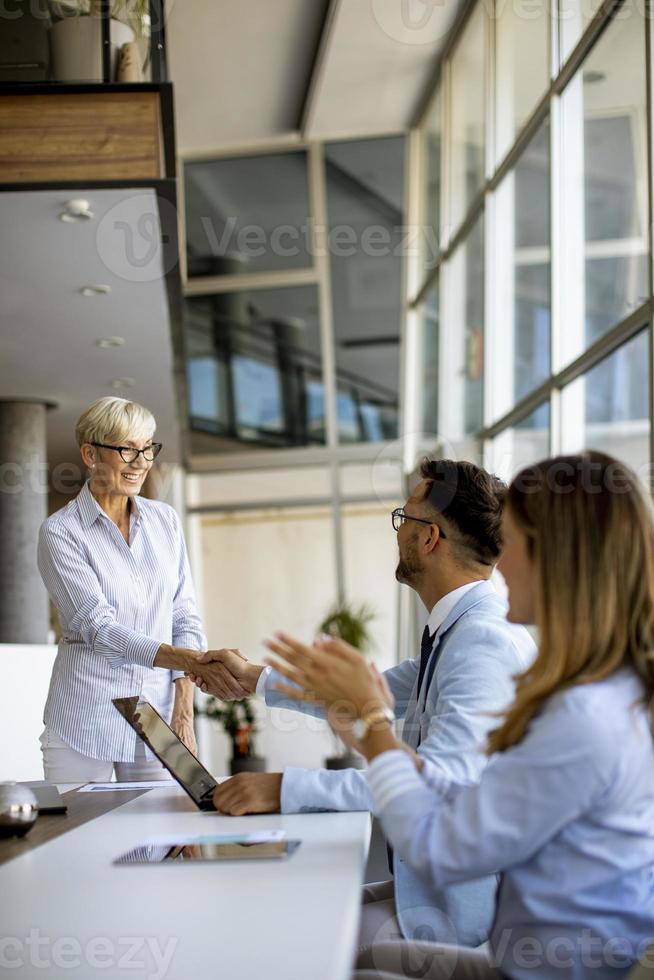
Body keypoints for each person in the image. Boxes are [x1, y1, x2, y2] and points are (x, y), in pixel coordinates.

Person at [264, 451, 654, 980]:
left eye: (512, 543)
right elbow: (459, 791)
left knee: (328, 959)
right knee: (335, 946)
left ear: (555, 558)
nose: (497, 560)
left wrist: (374, 727)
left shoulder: (578, 714)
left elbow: (440, 845)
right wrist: (360, 723)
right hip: (530, 954)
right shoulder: (602, 689)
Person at [189, 459, 536, 948]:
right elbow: (367, 695)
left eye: (404, 518)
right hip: (430, 890)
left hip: (463, 917)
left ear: (429, 537)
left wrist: (285, 788)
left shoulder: (484, 642)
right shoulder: (461, 629)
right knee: (298, 906)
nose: (397, 533)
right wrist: (254, 680)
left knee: (303, 940)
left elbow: (438, 782)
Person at [37, 396, 247, 783]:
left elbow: (183, 615)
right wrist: (189, 660)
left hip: (161, 717)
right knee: (84, 841)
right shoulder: (61, 533)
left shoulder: (165, 521)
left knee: (166, 838)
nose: (141, 462)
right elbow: (99, 630)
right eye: (126, 449)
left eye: (147, 448)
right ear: (90, 454)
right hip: (85, 718)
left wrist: (184, 710)